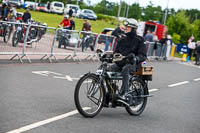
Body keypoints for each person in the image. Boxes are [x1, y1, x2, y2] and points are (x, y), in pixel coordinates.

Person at [110, 18, 146, 101]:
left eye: (128, 27)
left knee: (125, 69)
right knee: (107, 69)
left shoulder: (140, 40)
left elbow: (143, 55)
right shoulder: (122, 39)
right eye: (125, 26)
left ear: (133, 29)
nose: (125, 28)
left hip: (134, 64)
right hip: (121, 63)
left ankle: (124, 93)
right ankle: (112, 91)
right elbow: (116, 52)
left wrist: (135, 58)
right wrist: (110, 56)